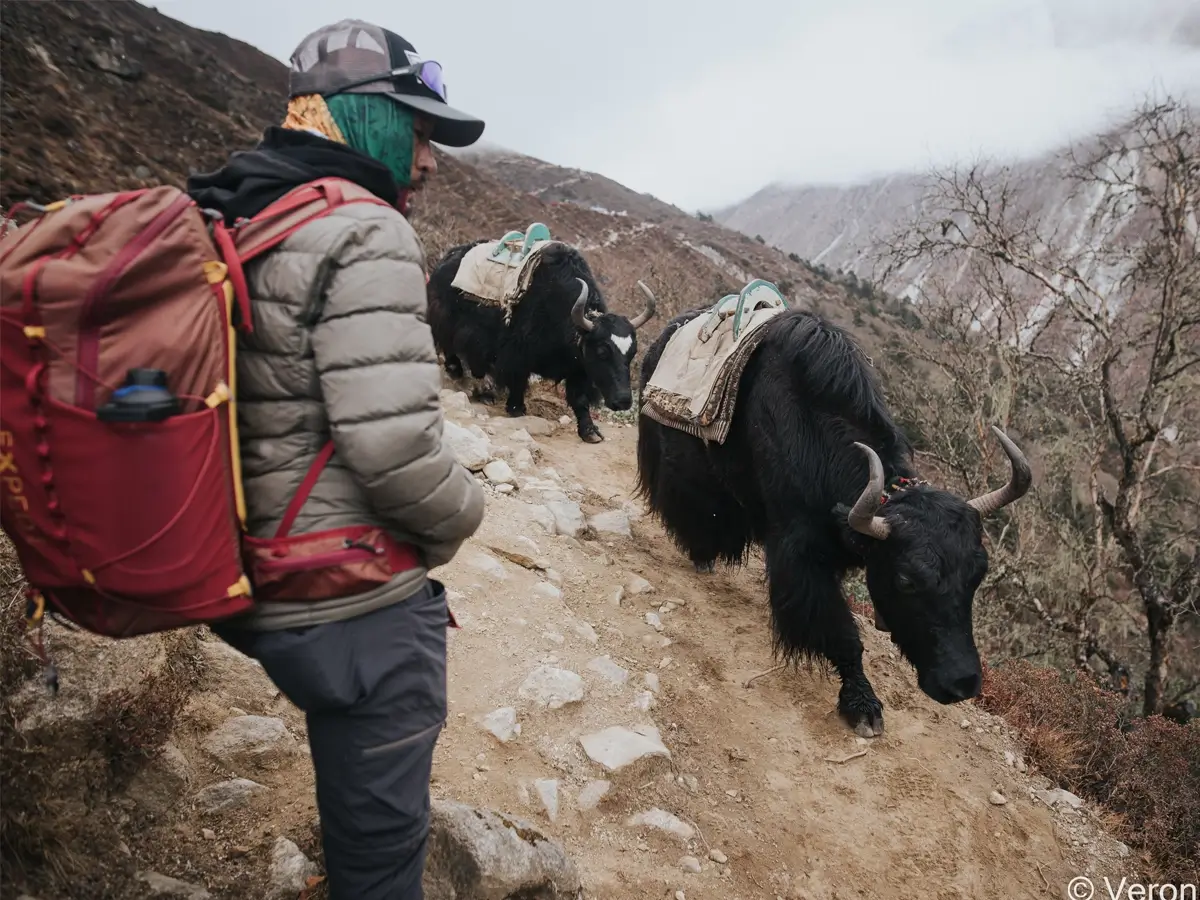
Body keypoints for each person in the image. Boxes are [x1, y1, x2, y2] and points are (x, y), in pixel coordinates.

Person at [186, 19, 487, 900]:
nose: (428, 158)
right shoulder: (367, 229)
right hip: (347, 601)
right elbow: (393, 446)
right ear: (362, 117)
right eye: (418, 127)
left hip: (248, 570)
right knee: (382, 855)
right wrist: (466, 511)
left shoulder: (245, 205)